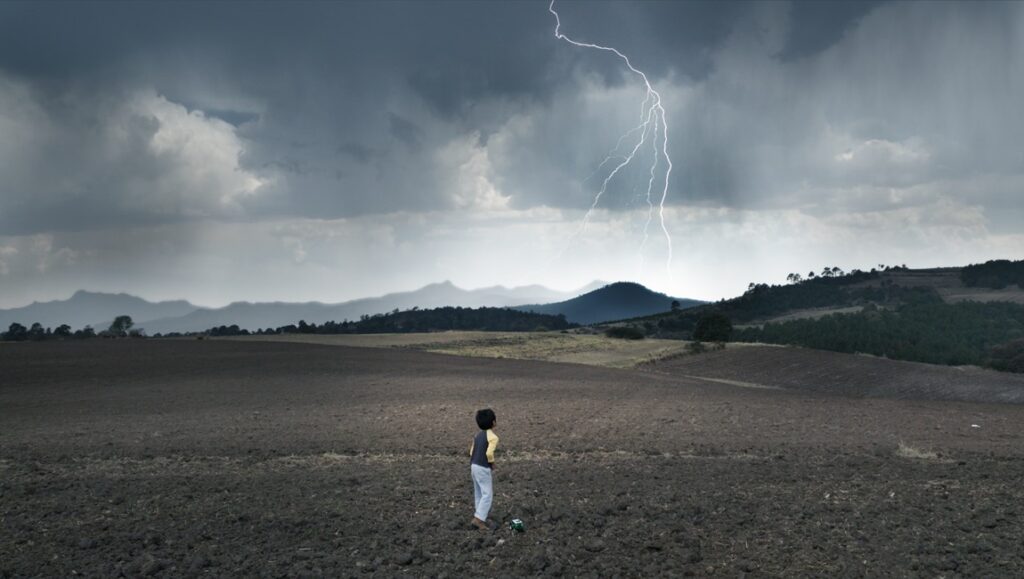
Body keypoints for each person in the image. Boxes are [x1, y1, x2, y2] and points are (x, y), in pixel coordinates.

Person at [469, 408, 499, 531]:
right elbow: (489, 453)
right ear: (493, 423)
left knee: (479, 493)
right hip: (482, 467)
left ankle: (480, 515)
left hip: (473, 465)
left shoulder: (477, 436)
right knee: (487, 494)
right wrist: (491, 463)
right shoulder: (493, 437)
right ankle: (479, 519)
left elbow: (471, 451)